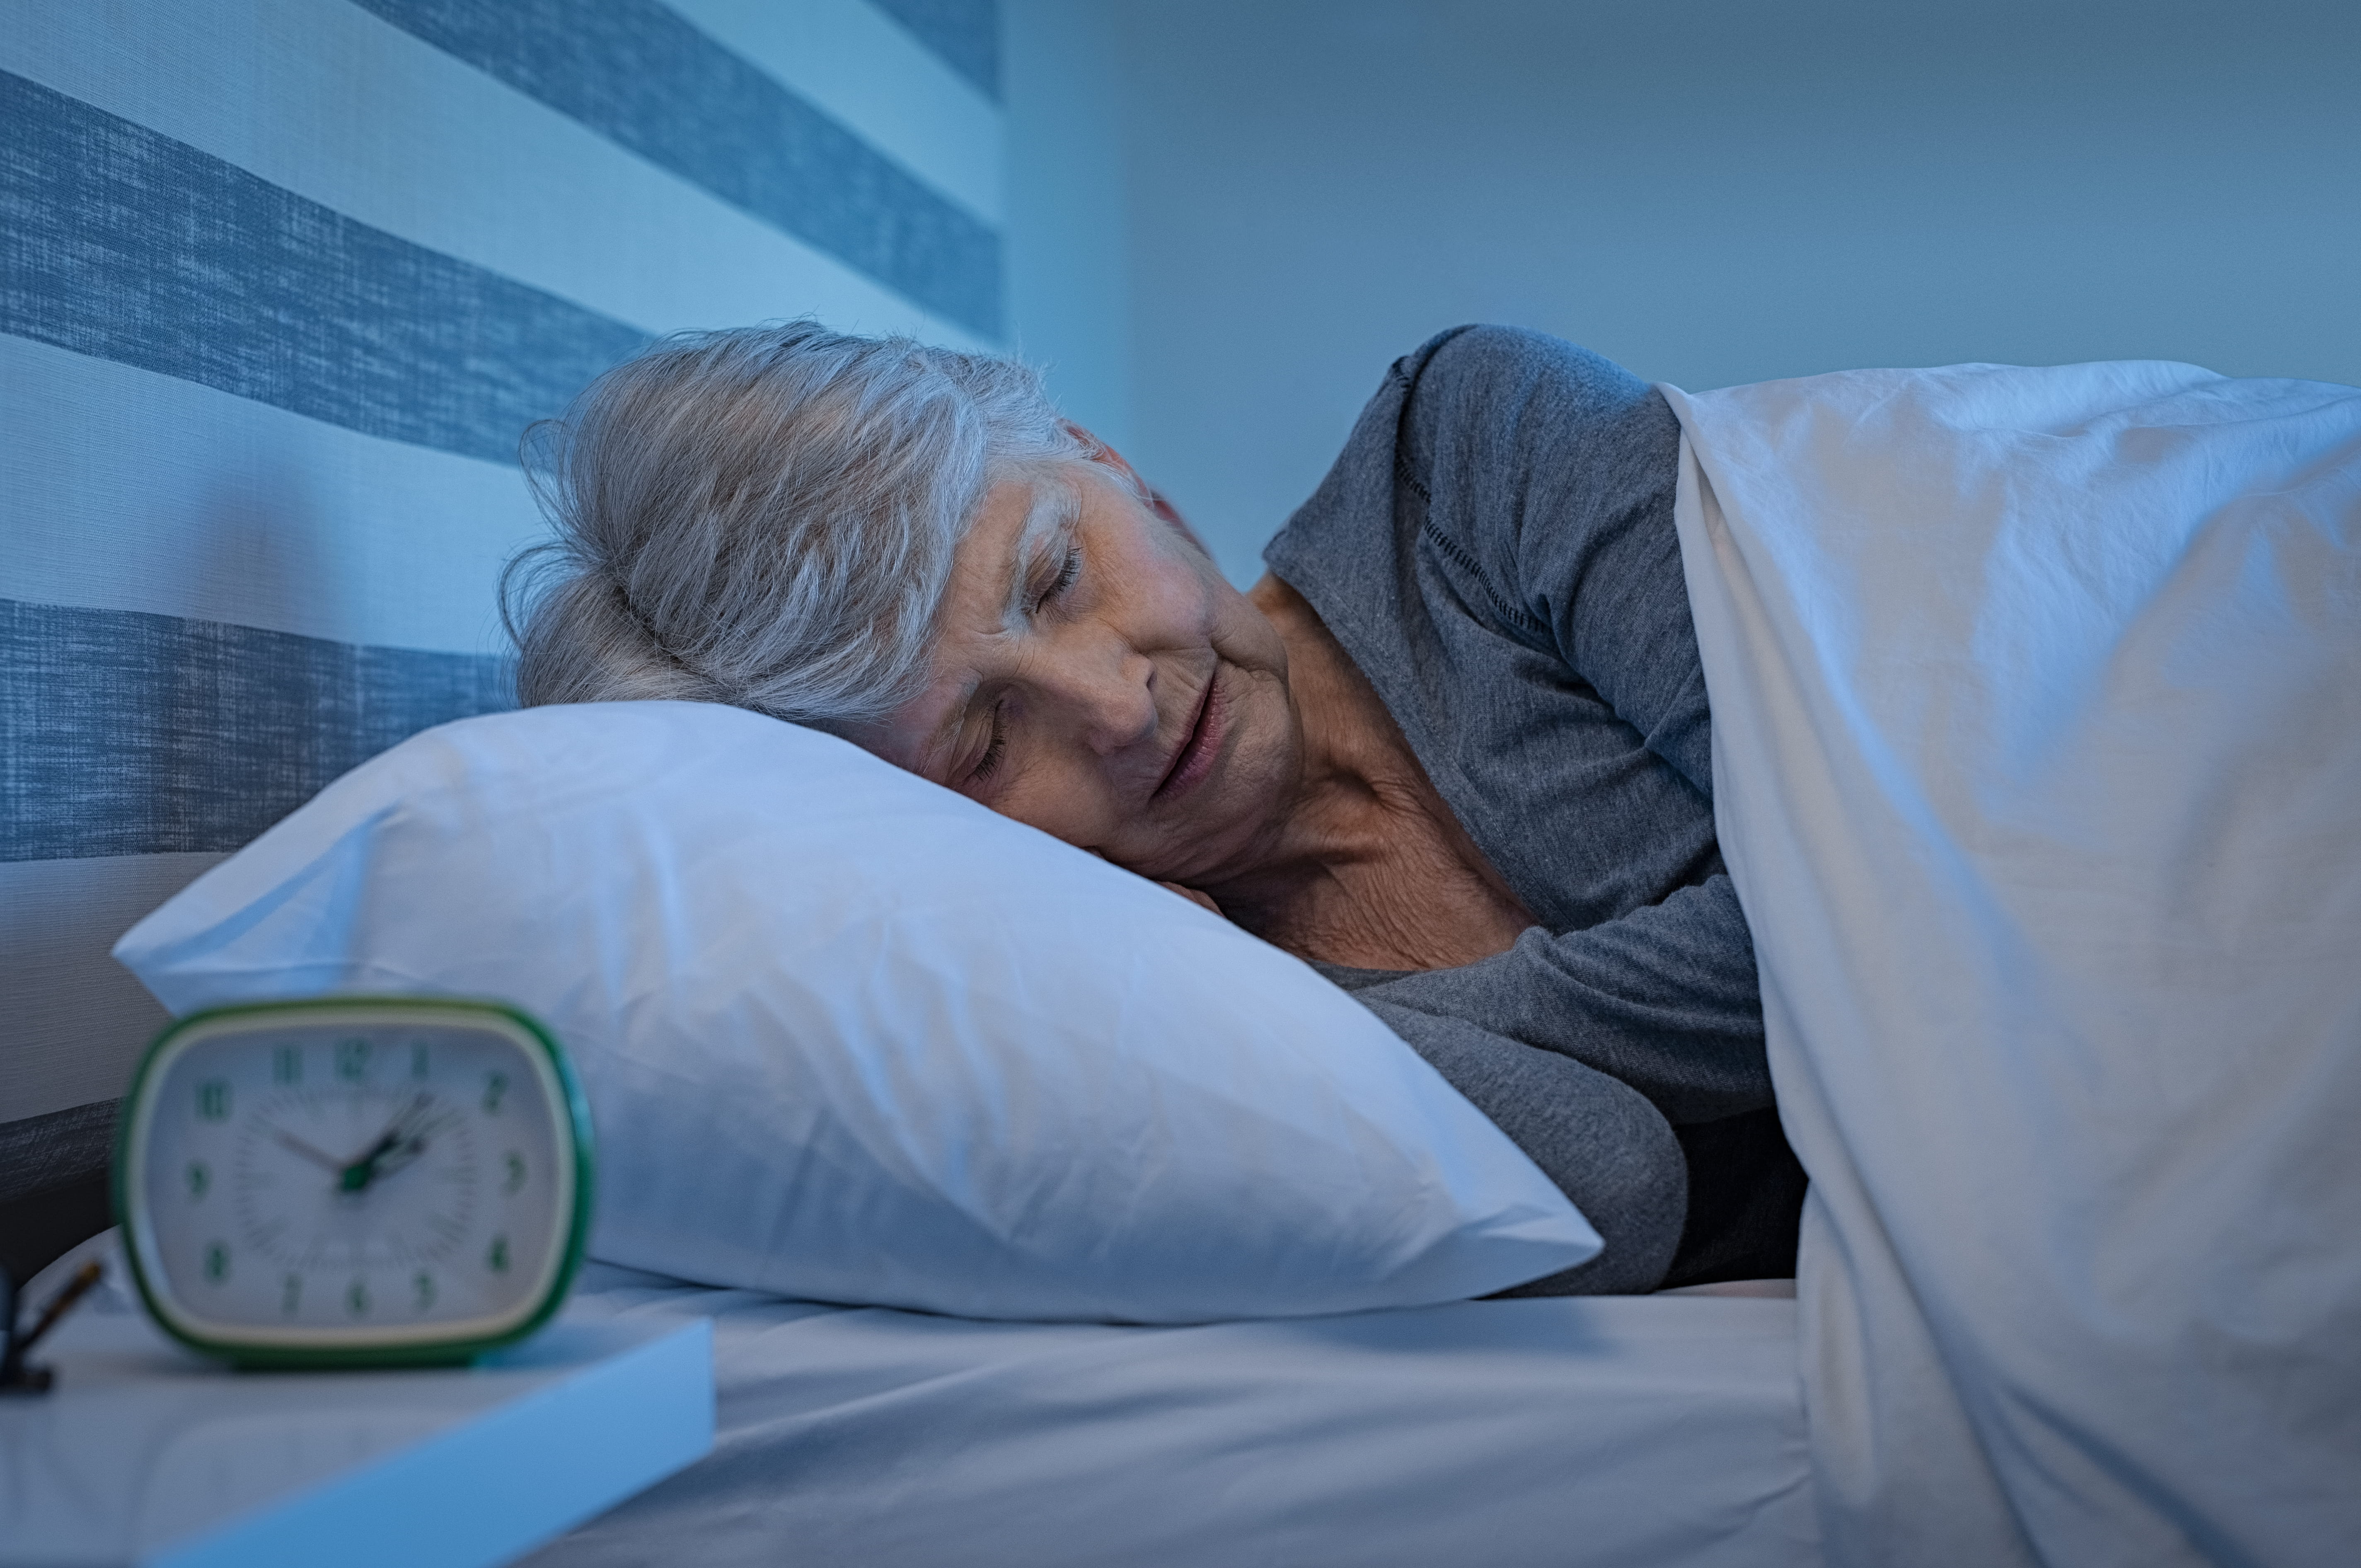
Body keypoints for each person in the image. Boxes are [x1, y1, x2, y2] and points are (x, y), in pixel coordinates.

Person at [504, 321, 1806, 1293]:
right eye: (982, 748)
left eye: (1058, 576)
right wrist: (1202, 978)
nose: (1112, 711)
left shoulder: (1467, 460)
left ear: (1109, 467)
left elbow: (1870, 909)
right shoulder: (1143, 1018)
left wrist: (1433, 1012)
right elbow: (1604, 1178)